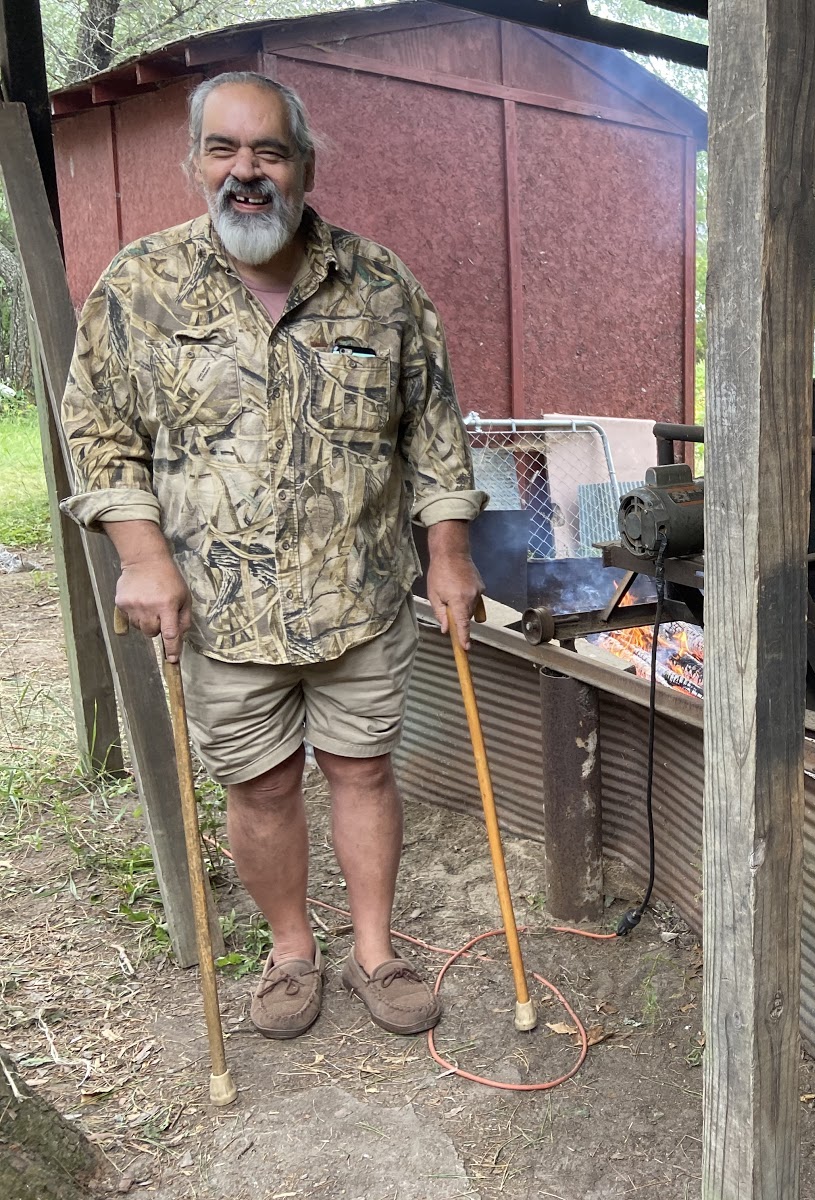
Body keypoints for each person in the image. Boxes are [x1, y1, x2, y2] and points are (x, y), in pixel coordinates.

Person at [60, 72, 487, 1041]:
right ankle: (294, 951)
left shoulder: (381, 286)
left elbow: (433, 431)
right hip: (217, 606)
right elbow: (98, 432)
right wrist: (138, 552)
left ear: (303, 164)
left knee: (364, 770)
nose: (245, 172)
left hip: (361, 595)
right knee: (258, 785)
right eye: (224, 150)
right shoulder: (140, 288)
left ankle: (375, 951)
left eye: (268, 152)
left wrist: (450, 551)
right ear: (195, 163)